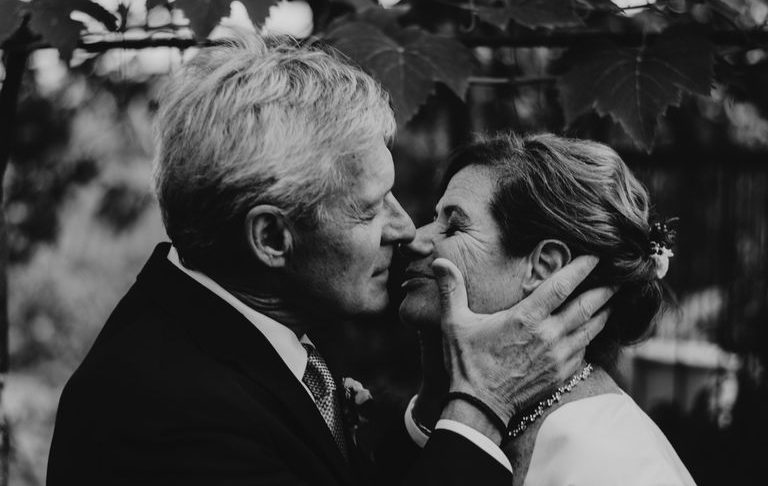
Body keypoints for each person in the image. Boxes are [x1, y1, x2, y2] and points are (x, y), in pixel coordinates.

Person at [47, 34, 611, 486]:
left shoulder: (252, 322)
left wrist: (438, 404)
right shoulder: (163, 415)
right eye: (369, 211)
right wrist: (484, 402)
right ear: (271, 237)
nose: (404, 229)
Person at [399, 132, 697, 486]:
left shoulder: (612, 466)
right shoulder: (503, 415)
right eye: (434, 218)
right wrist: (436, 405)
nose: (413, 239)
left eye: (453, 226)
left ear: (543, 267)